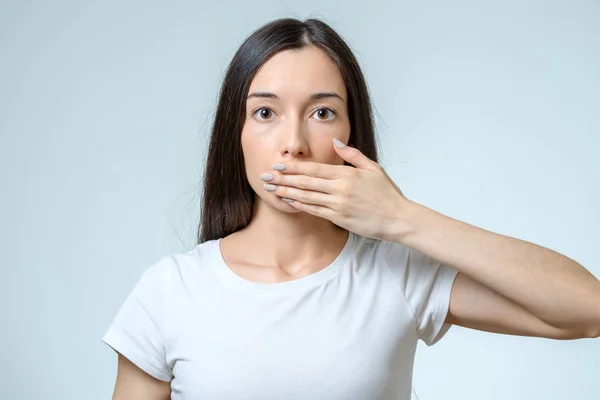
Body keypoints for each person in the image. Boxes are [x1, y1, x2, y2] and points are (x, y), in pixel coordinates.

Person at [102, 17, 600, 400]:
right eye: (265, 112)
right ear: (237, 135)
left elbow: (586, 310)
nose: (293, 143)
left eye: (322, 113)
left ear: (350, 133)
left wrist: (401, 219)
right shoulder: (171, 290)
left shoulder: (396, 272)